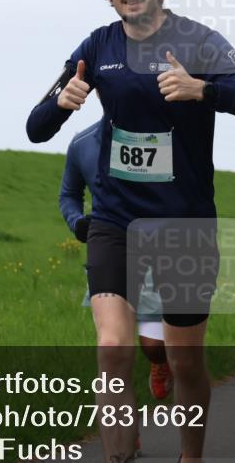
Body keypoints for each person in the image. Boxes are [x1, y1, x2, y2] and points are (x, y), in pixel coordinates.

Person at [26, 0, 235, 463]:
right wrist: (60, 103)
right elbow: (36, 128)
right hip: (116, 221)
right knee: (113, 348)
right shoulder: (97, 46)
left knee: (185, 362)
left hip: (185, 224)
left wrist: (203, 90)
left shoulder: (199, 42)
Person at [60, 119, 174, 410]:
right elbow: (69, 194)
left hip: (157, 244)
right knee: (113, 347)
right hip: (110, 245)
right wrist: (77, 222)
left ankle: (160, 361)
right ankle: (122, 425)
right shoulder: (82, 143)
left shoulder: (161, 136)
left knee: (153, 346)